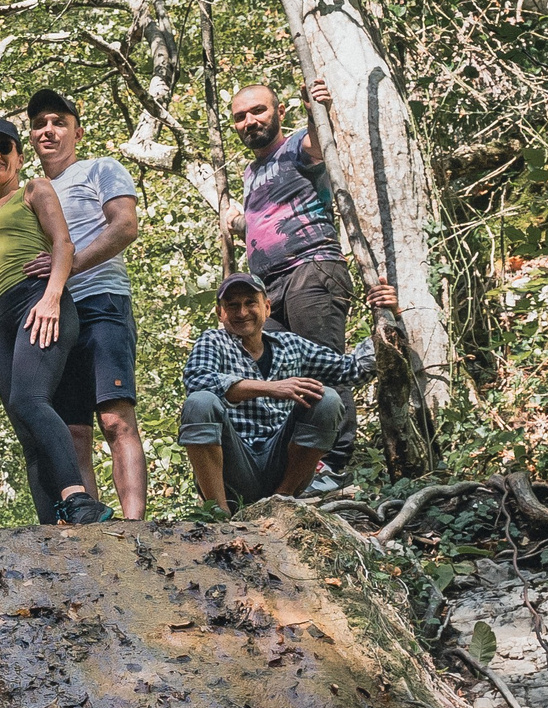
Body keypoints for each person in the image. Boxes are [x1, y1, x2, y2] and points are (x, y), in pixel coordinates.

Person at [0, 119, 115, 525]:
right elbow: (2, 263)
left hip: (39, 302)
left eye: (4, 147)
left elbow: (63, 242)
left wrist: (51, 298)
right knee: (27, 433)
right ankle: (53, 528)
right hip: (1, 318)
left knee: (29, 400)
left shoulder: (34, 189)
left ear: (17, 156)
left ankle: (81, 501)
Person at [220, 78, 359, 487]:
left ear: (279, 112)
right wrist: (238, 222)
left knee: (323, 364)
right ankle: (300, 467)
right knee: (279, 376)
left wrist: (317, 108)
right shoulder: (250, 173)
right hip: (266, 289)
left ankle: (335, 464)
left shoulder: (296, 145)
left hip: (311, 269)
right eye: (240, 117)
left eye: (258, 111)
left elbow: (319, 146)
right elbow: (266, 221)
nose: (250, 121)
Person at [26, 89, 145, 520]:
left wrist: (68, 265)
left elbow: (125, 226)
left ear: (77, 130)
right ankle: (89, 529)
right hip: (53, 315)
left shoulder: (100, 170)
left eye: (58, 121)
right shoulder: (30, 192)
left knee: (115, 419)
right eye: (39, 124)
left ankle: (134, 526)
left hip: (101, 302)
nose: (48, 130)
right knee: (74, 430)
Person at [181, 273, 396, 510]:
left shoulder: (291, 345)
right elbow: (197, 381)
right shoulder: (213, 341)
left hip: (281, 465)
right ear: (221, 314)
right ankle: (218, 514)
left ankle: (282, 502)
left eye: (250, 303)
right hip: (233, 469)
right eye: (232, 305)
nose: (242, 313)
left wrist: (389, 317)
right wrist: (272, 388)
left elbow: (352, 369)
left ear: (267, 307)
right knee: (200, 402)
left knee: (328, 399)